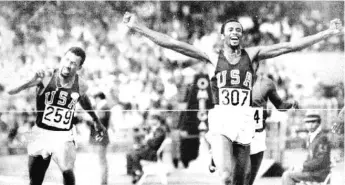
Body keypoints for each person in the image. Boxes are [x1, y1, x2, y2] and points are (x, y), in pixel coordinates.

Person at [122, 12, 343, 185]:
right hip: (222, 120)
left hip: (245, 121)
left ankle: (218, 159)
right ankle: (216, 156)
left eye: (239, 30)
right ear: (223, 35)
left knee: (240, 181)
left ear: (242, 35)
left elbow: (288, 46)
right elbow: (173, 43)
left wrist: (327, 33)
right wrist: (138, 27)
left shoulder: (253, 54)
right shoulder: (211, 57)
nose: (235, 32)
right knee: (226, 177)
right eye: (231, 29)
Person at [7, 47, 106, 185]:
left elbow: (83, 99)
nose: (68, 65)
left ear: (79, 67)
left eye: (73, 63)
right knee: (35, 180)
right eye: (66, 60)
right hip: (41, 132)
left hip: (64, 134)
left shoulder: (81, 85)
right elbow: (11, 90)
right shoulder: (46, 76)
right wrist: (31, 80)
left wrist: (96, 120)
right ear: (62, 58)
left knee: (67, 171)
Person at [281, 111, 331, 185]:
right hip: (312, 171)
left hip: (318, 174)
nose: (310, 125)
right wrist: (301, 167)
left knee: (287, 176)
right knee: (290, 171)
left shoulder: (322, 138)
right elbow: (311, 159)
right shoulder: (312, 137)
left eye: (313, 122)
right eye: (307, 122)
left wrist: (303, 166)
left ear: (318, 123)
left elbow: (320, 161)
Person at [126, 115, 168, 184]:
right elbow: (149, 142)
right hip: (148, 151)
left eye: (152, 120)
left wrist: (148, 139)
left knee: (133, 154)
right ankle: (134, 174)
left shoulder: (160, 130)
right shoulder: (154, 129)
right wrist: (142, 145)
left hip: (153, 153)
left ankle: (139, 172)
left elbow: (154, 144)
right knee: (129, 154)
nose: (150, 121)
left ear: (157, 120)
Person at [87, 92, 111, 185]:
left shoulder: (103, 107)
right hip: (99, 137)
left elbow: (99, 122)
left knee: (101, 161)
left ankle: (103, 182)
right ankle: (102, 181)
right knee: (100, 160)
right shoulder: (103, 107)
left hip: (100, 138)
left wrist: (87, 120)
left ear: (98, 98)